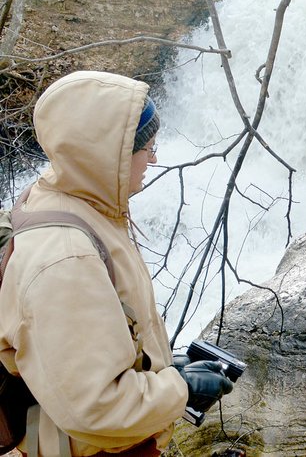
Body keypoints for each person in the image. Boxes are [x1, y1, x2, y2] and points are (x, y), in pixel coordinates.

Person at [0, 71, 232, 456]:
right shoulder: (65, 260)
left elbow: (87, 342)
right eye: (149, 148)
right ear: (110, 157)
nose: (154, 160)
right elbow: (96, 407)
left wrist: (161, 366)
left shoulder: (72, 197)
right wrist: (180, 388)